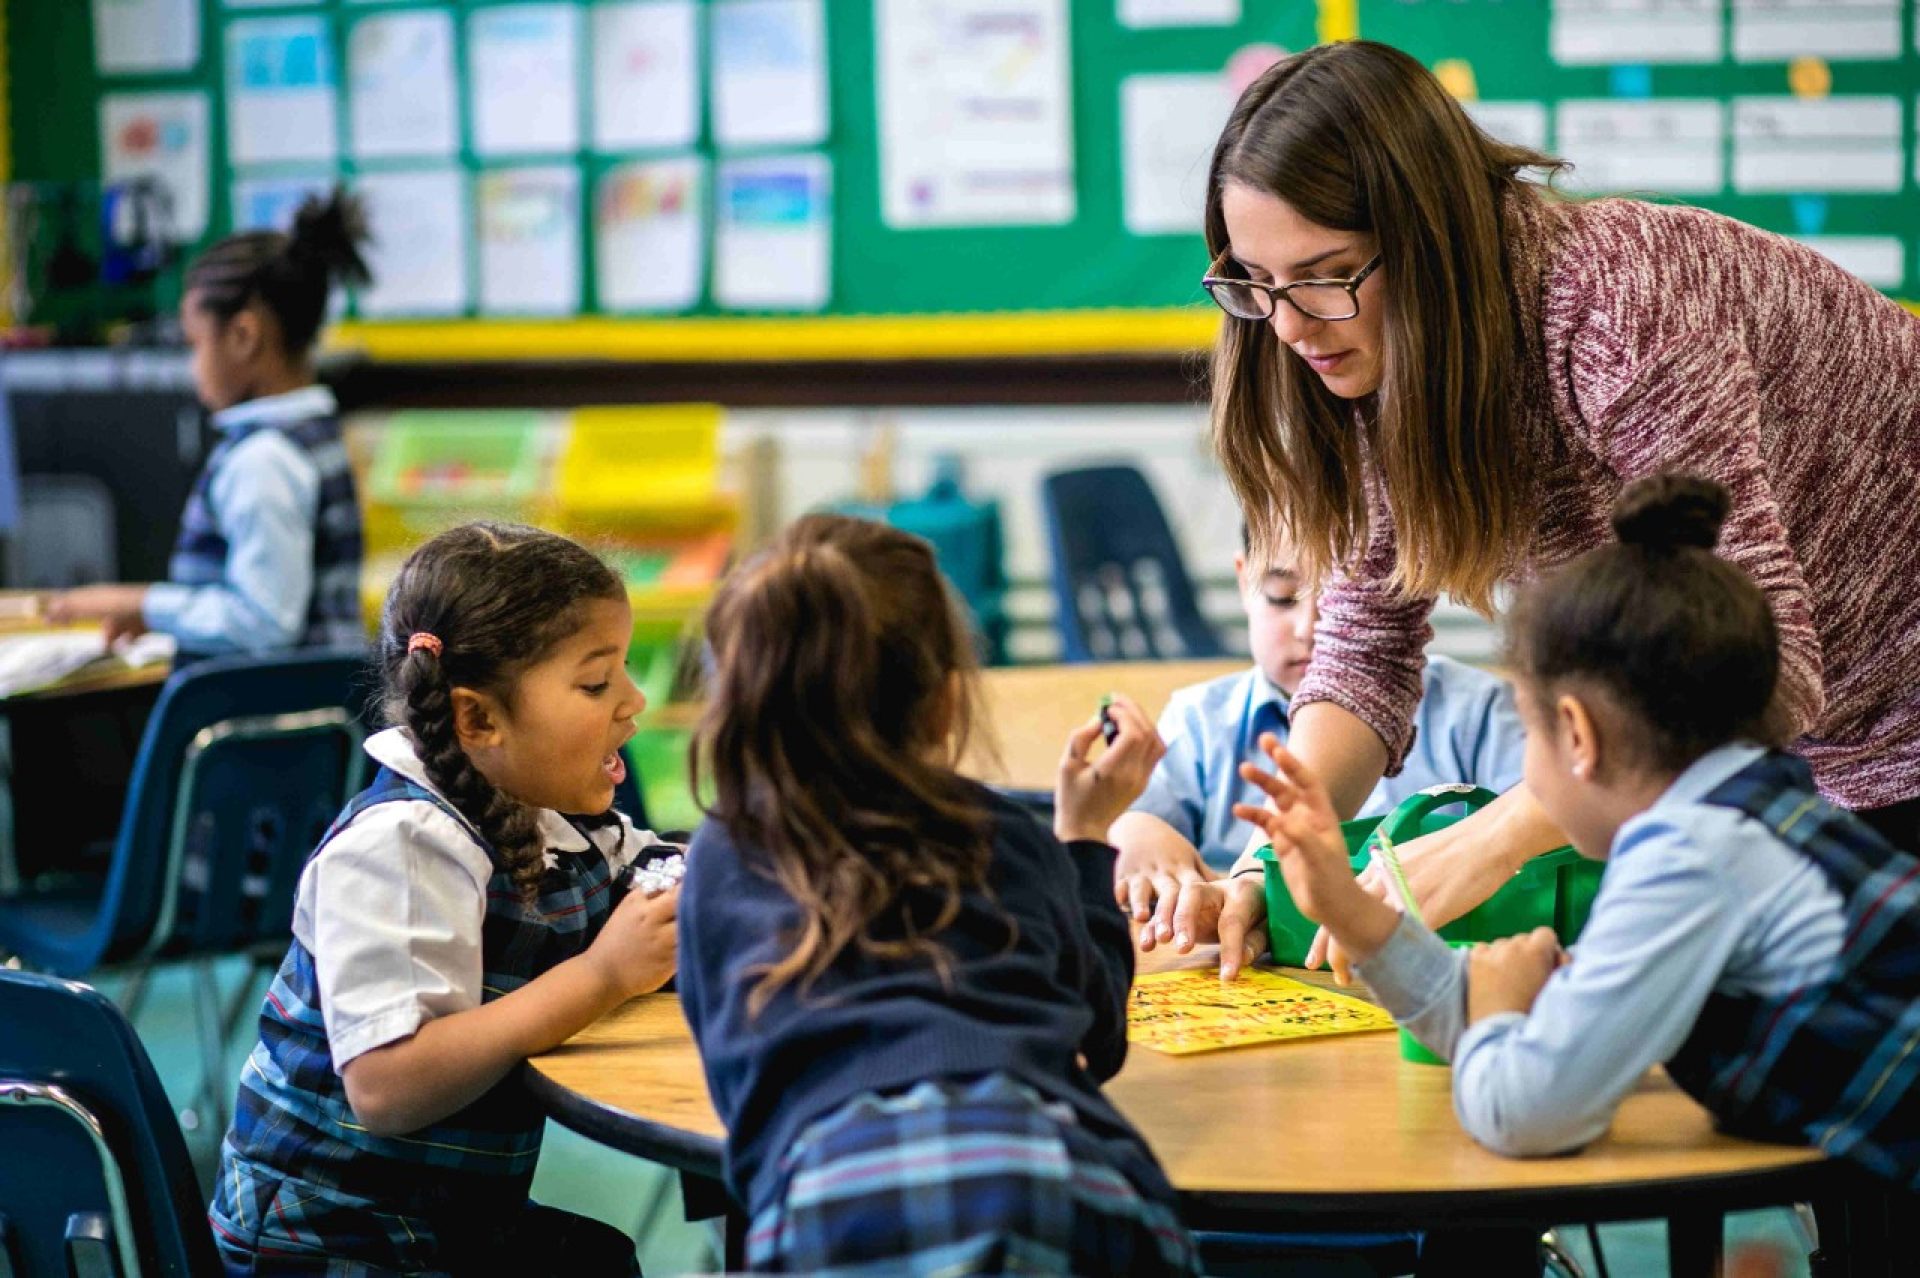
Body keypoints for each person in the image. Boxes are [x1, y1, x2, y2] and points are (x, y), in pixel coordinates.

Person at [1194, 40, 1920, 975]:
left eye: (1325, 274)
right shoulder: (1366, 350)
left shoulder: (1620, 308)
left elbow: (1754, 671)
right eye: (1255, 283)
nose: (1288, 326)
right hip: (1796, 760)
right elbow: (1367, 650)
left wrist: (1493, 839)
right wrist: (1272, 861)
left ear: (1430, 241)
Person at [1244, 476, 1920, 1190]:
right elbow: (1507, 1025)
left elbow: (1527, 1113)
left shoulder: (1685, 863)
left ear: (1576, 734)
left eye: (1527, 729)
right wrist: (1351, 914)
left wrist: (1500, 1009)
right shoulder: (1746, 817)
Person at [677, 514, 1199, 1276]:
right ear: (947, 700)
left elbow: (738, 1084)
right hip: (1056, 1169)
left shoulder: (726, 853)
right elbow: (1100, 1034)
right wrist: (1084, 841)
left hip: (835, 1191)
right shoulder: (1000, 832)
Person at [209, 523, 678, 1274]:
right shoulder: (399, 847)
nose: (634, 700)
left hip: (439, 1221)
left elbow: (647, 867)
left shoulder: (543, 805)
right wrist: (601, 977)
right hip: (326, 1239)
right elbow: (387, 1087)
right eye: (597, 682)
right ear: (479, 719)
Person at [1112, 525, 1524, 946]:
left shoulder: (1476, 711)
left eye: (1345, 603)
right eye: (1282, 596)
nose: (1311, 628)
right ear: (1244, 580)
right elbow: (1128, 818)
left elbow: (1562, 817)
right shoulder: (1200, 719)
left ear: (1407, 593)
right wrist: (1136, 831)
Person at [48, 187, 369, 656]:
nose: (192, 364)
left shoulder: (264, 458)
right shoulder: (309, 435)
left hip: (267, 719)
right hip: (308, 712)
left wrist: (145, 603)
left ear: (242, 337)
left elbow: (264, 623)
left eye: (195, 343)